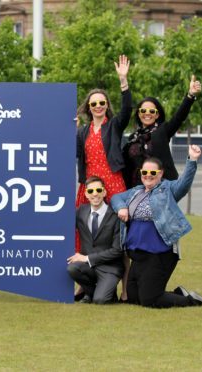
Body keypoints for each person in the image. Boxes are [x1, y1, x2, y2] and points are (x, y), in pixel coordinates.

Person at [111, 145, 202, 308]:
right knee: (134, 297)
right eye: (145, 172)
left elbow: (184, 184)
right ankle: (178, 293)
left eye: (153, 173)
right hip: (138, 254)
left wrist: (192, 160)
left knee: (150, 300)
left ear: (161, 173)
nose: (148, 176)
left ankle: (192, 301)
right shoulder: (136, 191)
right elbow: (115, 197)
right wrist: (121, 207)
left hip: (159, 253)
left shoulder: (168, 189)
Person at [75, 55, 131, 253]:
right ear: (89, 108)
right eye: (94, 104)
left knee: (118, 232)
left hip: (113, 182)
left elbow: (127, 110)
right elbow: (71, 152)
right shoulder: (82, 132)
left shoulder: (114, 126)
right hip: (89, 184)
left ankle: (124, 283)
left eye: (101, 103)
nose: (98, 106)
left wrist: (123, 81)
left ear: (107, 105)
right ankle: (87, 280)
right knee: (85, 231)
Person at [123, 75, 202, 188]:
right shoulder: (133, 138)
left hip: (161, 189)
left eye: (152, 111)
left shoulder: (162, 131)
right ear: (139, 114)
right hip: (137, 190)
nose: (147, 113)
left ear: (157, 114)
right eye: (143, 110)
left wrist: (190, 95)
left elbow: (179, 117)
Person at [67, 176, 123, 304]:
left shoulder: (116, 216)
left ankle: (101, 294)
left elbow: (117, 251)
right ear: (86, 194)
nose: (95, 194)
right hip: (88, 268)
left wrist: (87, 258)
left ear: (104, 192)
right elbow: (62, 224)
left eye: (98, 190)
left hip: (110, 267)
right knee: (72, 268)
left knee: (100, 300)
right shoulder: (81, 211)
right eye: (91, 191)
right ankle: (90, 293)